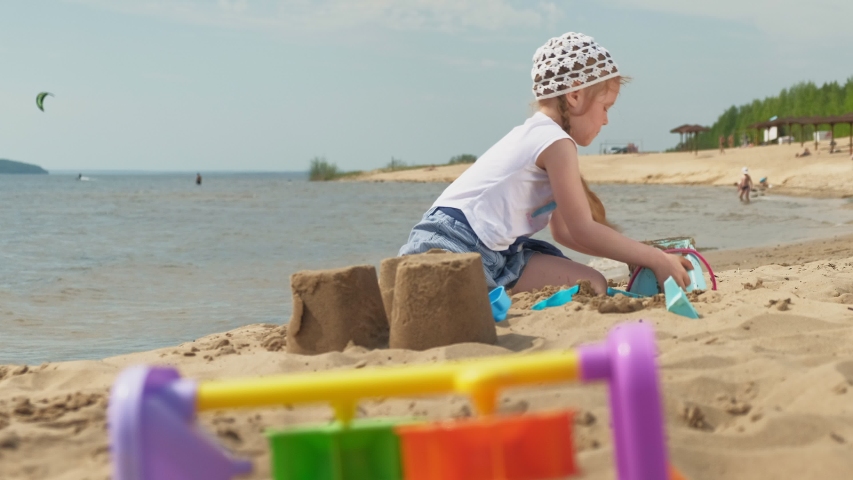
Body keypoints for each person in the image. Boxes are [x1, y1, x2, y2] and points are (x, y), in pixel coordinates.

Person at [398, 32, 692, 295]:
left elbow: (564, 232)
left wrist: (633, 256)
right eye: (605, 107)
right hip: (450, 245)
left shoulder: (544, 137)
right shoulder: (555, 142)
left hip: (493, 252)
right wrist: (653, 257)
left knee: (594, 284)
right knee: (590, 286)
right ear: (575, 95)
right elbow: (583, 229)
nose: (606, 120)